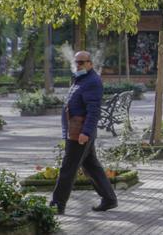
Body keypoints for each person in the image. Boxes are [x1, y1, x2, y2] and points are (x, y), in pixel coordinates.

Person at [50, 51, 117, 215]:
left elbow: (93, 111)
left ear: (90, 64)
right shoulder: (80, 79)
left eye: (82, 62)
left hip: (80, 133)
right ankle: (109, 199)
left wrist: (85, 132)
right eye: (76, 62)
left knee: (68, 168)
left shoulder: (92, 81)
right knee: (92, 167)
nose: (78, 65)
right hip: (76, 132)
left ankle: (57, 204)